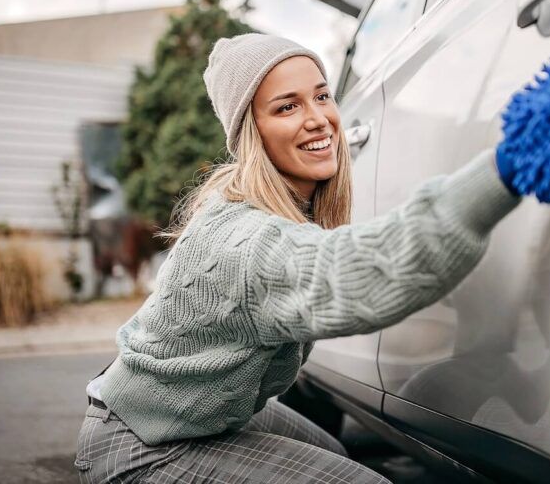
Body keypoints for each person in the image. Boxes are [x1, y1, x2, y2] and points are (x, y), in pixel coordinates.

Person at [73, 33, 523, 483]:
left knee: (330, 450)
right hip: (140, 448)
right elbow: (363, 276)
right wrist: (506, 166)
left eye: (322, 96)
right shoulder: (243, 239)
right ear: (252, 132)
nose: (319, 120)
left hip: (185, 419)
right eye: (287, 107)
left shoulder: (272, 214)